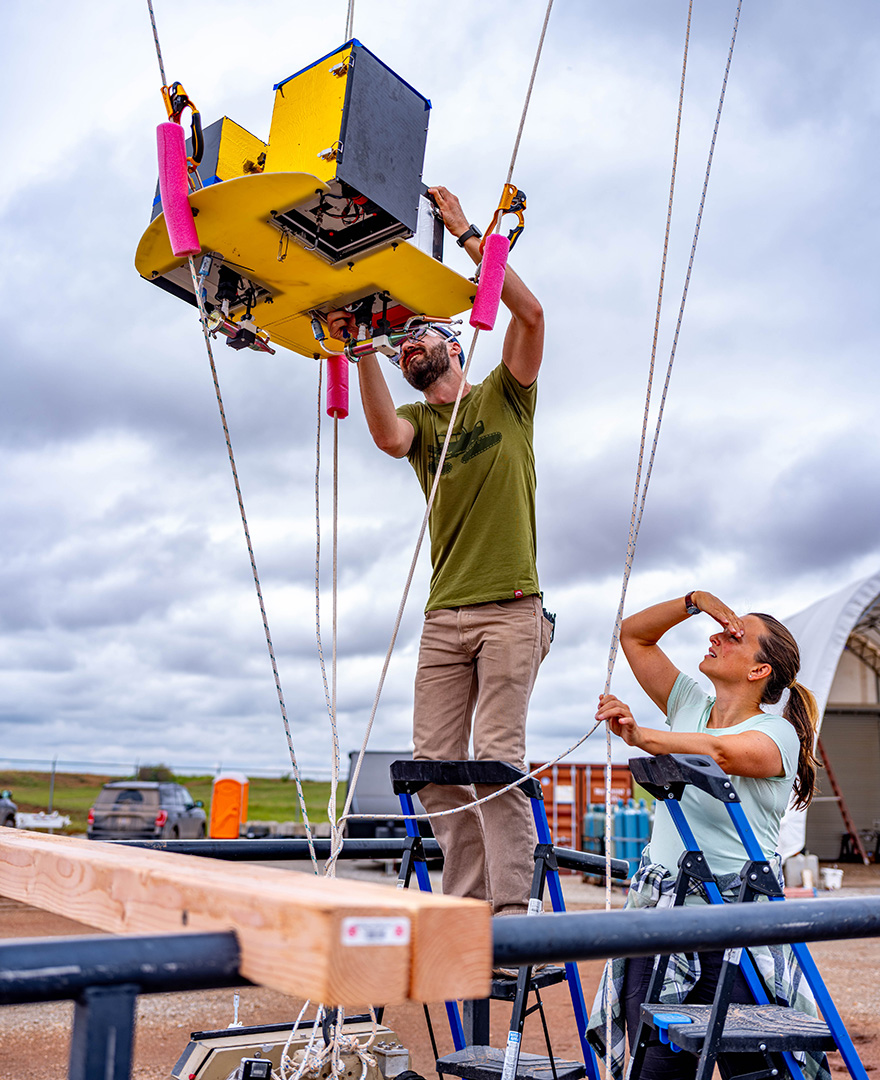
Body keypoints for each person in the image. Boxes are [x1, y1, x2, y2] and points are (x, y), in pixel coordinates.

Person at [325, 186, 552, 917]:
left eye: (418, 336)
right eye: (401, 347)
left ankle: (513, 916)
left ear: (454, 342)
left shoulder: (503, 397)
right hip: (446, 614)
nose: (408, 348)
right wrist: (361, 347)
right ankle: (465, 905)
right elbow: (387, 437)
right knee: (432, 767)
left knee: (493, 759)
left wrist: (464, 233)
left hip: (511, 610)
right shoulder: (420, 424)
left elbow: (531, 313)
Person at [586, 589, 827, 1080]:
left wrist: (643, 736)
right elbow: (634, 634)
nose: (717, 636)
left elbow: (719, 752)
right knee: (653, 1071)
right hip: (660, 924)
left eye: (735, 636)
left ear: (760, 671)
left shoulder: (778, 734)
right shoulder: (688, 706)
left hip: (733, 932)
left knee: (756, 1073)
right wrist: (696, 601)